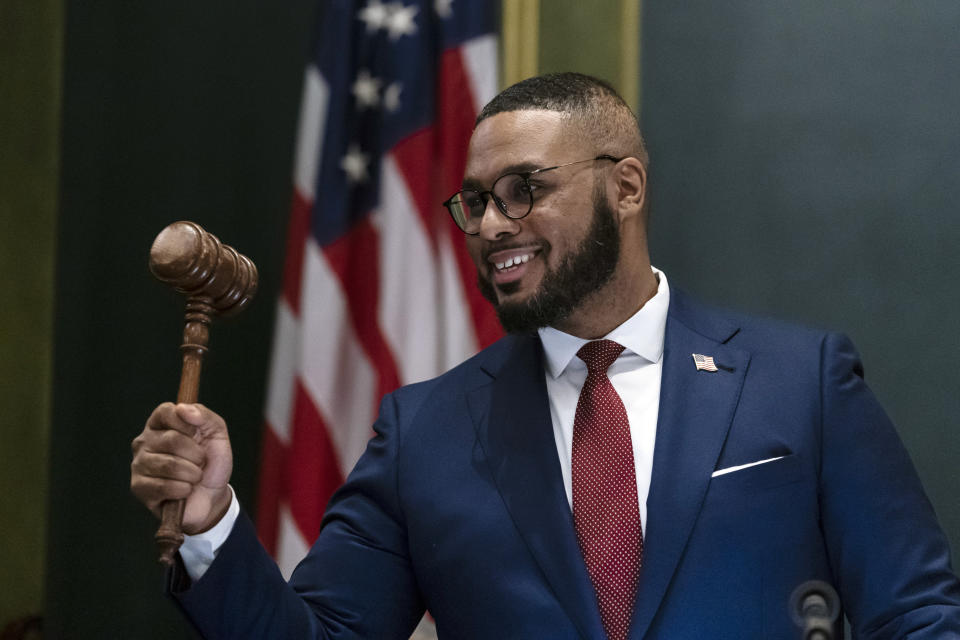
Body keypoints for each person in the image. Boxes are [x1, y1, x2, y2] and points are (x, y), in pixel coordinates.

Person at [130, 72, 960, 639]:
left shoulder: (802, 383)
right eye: (477, 201)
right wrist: (210, 525)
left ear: (626, 187)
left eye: (525, 189)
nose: (492, 224)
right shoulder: (427, 432)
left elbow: (918, 617)